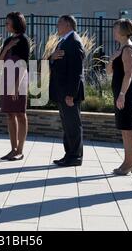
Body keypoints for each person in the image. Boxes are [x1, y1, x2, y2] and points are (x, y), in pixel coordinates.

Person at [49, 15, 85, 167]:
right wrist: (51, 58)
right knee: (67, 125)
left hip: (69, 93)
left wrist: (71, 94)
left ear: (68, 24)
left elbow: (76, 71)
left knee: (73, 125)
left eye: (59, 23)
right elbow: (55, 64)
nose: (57, 26)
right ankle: (69, 154)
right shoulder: (64, 41)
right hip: (62, 91)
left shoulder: (74, 42)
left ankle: (75, 156)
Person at [106, 19, 132, 176]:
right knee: (124, 129)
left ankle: (130, 163)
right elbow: (108, 71)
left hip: (126, 93)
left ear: (123, 31)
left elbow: (128, 74)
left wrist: (122, 95)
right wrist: (112, 58)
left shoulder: (127, 49)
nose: (114, 31)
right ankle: (127, 162)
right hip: (121, 93)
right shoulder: (120, 49)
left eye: (116, 28)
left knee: (129, 128)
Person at [0, 12, 30, 161]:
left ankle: (20, 150)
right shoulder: (8, 40)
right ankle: (12, 149)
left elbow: (24, 65)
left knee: (20, 114)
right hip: (6, 78)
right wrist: (7, 47)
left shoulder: (24, 40)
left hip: (19, 79)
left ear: (16, 24)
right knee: (10, 114)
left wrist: (17, 86)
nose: (6, 25)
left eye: (8, 23)